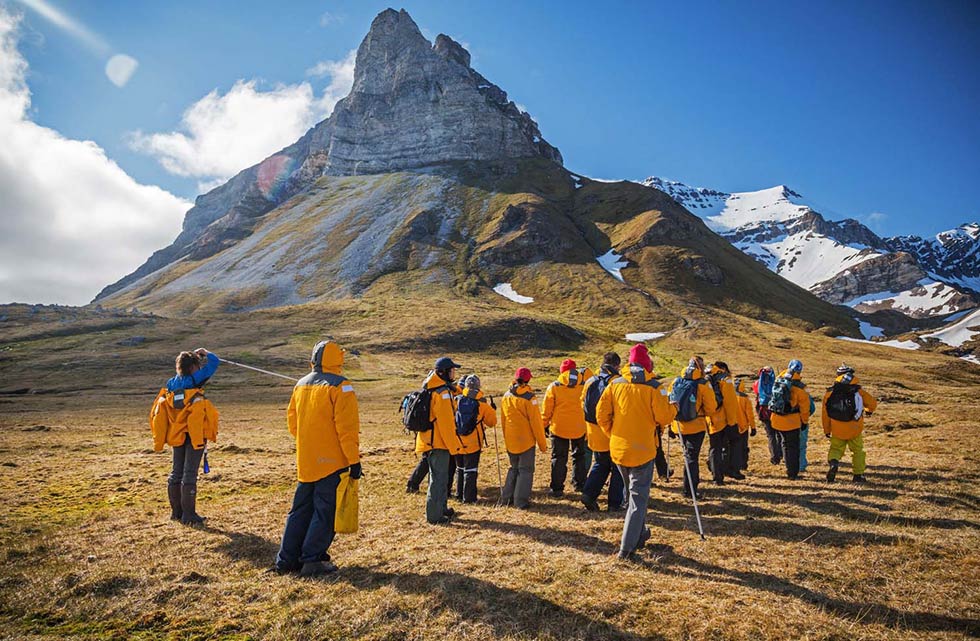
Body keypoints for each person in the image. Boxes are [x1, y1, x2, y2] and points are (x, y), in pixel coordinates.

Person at [275, 340, 360, 576]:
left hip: (306, 460)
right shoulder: (342, 387)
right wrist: (354, 460)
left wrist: (310, 442)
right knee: (325, 512)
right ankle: (312, 559)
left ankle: (286, 560)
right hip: (333, 462)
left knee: (300, 510)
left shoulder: (300, 385)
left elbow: (293, 424)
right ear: (338, 359)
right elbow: (347, 430)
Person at [596, 343, 675, 560]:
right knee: (638, 499)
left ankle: (639, 534)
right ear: (647, 363)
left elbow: (601, 414)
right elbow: (664, 418)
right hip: (643, 451)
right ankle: (626, 549)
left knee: (631, 496)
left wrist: (613, 434)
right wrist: (674, 407)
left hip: (619, 449)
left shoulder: (615, 384)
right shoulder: (654, 386)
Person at [150, 348, 221, 525]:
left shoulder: (171, 383)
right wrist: (206, 353)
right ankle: (189, 515)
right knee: (189, 473)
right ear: (193, 367)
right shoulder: (195, 379)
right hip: (194, 431)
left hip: (176, 431)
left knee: (176, 471)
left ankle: (176, 513)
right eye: (197, 365)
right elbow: (214, 363)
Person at [416, 356, 463, 524]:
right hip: (439, 443)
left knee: (438, 478)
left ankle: (441, 508)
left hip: (431, 441)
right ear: (444, 372)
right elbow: (446, 425)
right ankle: (434, 516)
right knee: (438, 479)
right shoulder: (442, 394)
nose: (454, 373)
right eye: (452, 370)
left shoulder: (437, 388)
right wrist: (454, 447)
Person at [581, 352, 626, 511]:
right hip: (612, 431)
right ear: (616, 365)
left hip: (594, 432)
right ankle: (614, 503)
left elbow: (583, 404)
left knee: (600, 463)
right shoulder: (617, 382)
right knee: (618, 468)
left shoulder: (590, 380)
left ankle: (589, 493)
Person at [668, 356, 717, 500]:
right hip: (696, 426)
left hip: (678, 425)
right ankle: (690, 489)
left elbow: (670, 401)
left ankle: (688, 487)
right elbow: (711, 408)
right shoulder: (703, 384)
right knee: (692, 458)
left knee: (687, 455)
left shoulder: (676, 381)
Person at [541, 359, 593, 496]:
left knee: (558, 458)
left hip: (559, 428)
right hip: (580, 427)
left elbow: (547, 410)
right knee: (579, 456)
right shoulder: (584, 385)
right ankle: (579, 484)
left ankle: (557, 489)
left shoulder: (554, 386)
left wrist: (544, 425)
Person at [500, 367, 547, 509]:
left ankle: (506, 498)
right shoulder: (529, 398)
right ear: (528, 380)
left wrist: (506, 438)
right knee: (525, 470)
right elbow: (536, 423)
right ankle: (521, 501)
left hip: (511, 439)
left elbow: (503, 420)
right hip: (526, 441)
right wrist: (542, 444)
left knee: (513, 468)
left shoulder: (506, 395)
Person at [822, 364, 878, 483]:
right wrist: (869, 411)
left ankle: (834, 463)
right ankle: (858, 475)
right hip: (854, 427)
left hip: (837, 427)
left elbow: (825, 414)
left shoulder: (830, 392)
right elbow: (872, 404)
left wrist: (827, 430)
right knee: (857, 451)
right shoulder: (858, 391)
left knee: (835, 449)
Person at [454, 375, 497, 503]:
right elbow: (492, 422)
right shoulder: (482, 404)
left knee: (460, 468)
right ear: (478, 387)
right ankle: (469, 498)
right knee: (471, 470)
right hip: (473, 442)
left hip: (457, 440)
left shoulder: (456, 400)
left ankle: (459, 494)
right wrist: (492, 410)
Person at [768, 359, 811, 480]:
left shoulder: (778, 381)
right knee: (793, 447)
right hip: (792, 422)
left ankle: (786, 467)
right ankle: (792, 473)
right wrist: (804, 422)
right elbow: (805, 408)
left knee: (784, 444)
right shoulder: (801, 388)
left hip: (776, 419)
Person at [705, 361, 741, 483]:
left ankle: (716, 476)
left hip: (710, 419)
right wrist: (732, 422)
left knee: (714, 448)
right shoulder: (725, 380)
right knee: (728, 445)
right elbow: (730, 403)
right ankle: (728, 470)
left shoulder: (706, 379)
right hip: (723, 420)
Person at [753, 366, 781, 465]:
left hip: (763, 411)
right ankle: (781, 453)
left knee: (770, 435)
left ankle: (774, 457)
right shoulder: (777, 382)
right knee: (778, 433)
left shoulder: (757, 384)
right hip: (775, 410)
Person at [733, 377, 757, 473]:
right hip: (743, 427)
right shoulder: (745, 399)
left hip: (732, 425)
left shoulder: (729, 397)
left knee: (734, 446)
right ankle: (743, 464)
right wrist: (753, 427)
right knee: (743, 447)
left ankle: (734, 464)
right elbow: (750, 415)